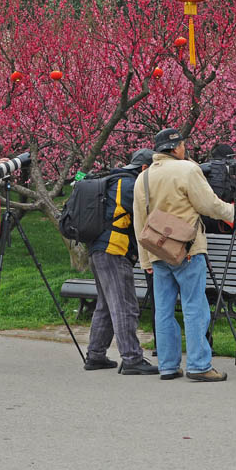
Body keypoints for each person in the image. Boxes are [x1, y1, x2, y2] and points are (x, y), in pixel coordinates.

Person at [132, 129, 236, 382]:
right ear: (175, 148)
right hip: (187, 248)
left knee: (162, 309)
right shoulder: (187, 170)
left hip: (158, 249)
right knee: (194, 305)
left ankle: (168, 366)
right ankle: (198, 364)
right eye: (183, 144)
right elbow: (208, 204)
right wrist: (231, 211)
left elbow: (139, 220)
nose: (185, 148)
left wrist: (145, 259)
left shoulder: (145, 177)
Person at [83, 148, 158, 375]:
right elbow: (147, 215)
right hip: (114, 249)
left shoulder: (111, 180)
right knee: (125, 305)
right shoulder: (131, 186)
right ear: (144, 168)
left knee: (106, 305)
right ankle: (132, 358)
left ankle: (96, 355)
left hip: (98, 250)